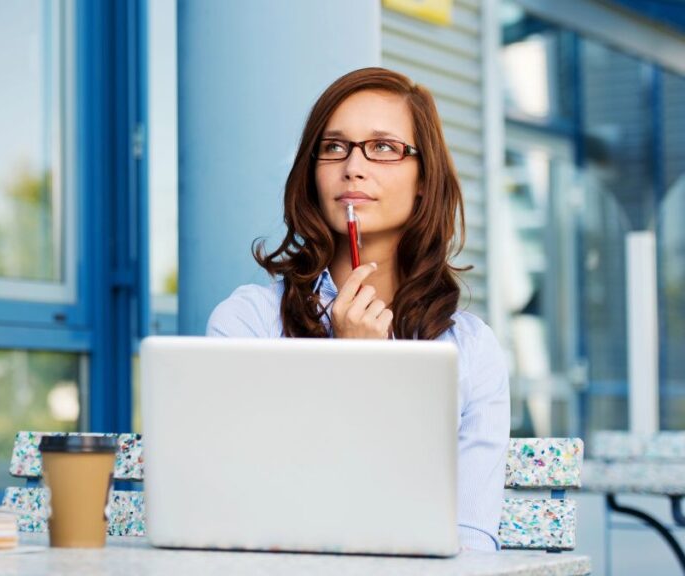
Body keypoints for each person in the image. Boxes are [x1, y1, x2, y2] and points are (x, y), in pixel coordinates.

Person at [206, 67, 510, 552]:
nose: (353, 166)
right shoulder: (247, 323)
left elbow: (470, 540)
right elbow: (245, 513)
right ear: (312, 175)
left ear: (423, 182)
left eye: (384, 147)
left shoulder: (470, 352)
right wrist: (350, 373)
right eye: (333, 147)